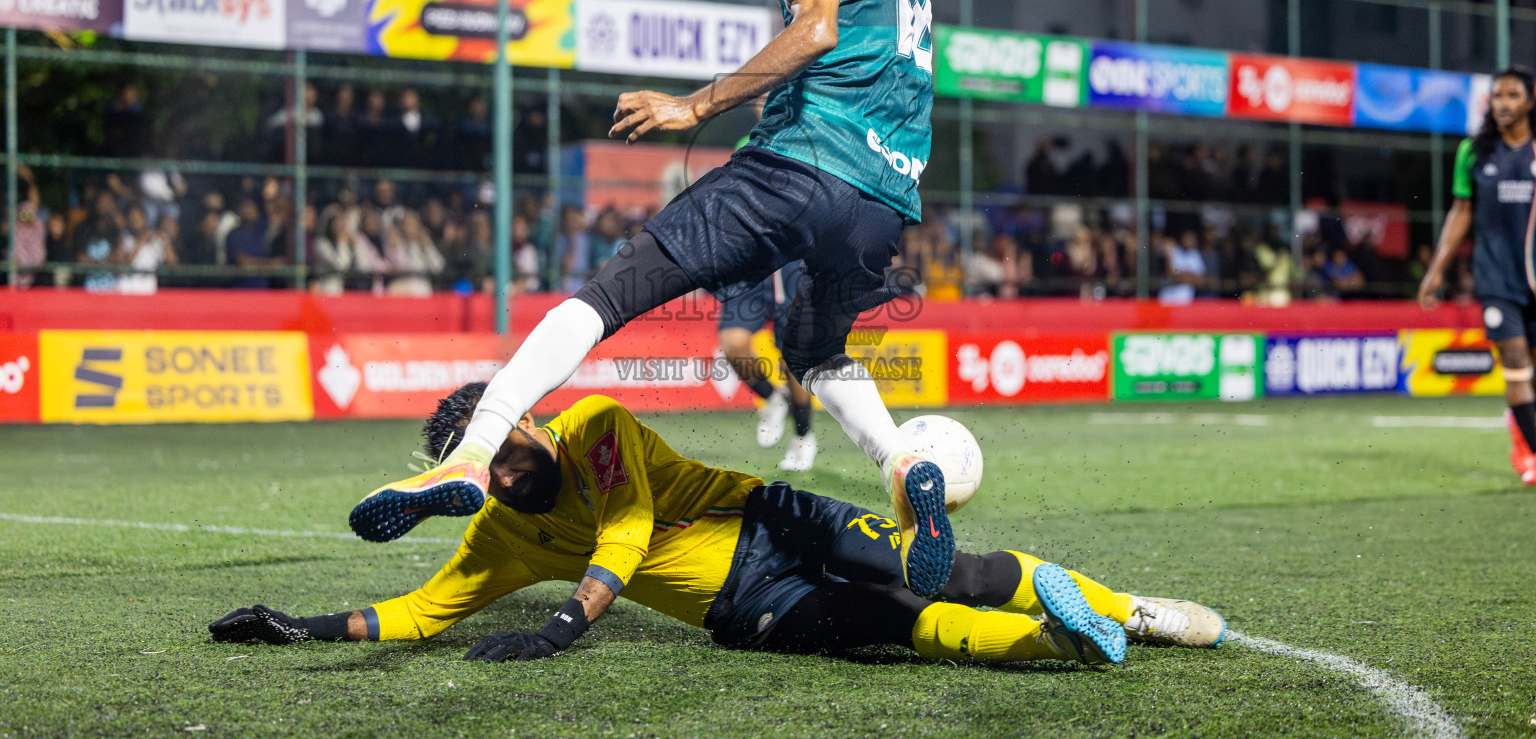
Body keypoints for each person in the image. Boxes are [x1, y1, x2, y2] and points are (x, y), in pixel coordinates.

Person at [348, 0, 960, 599]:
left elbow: (817, 31)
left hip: (800, 163)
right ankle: (904, 464)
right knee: (814, 348)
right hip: (883, 202)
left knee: (606, 293)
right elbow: (846, 29)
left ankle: (473, 449)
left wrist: (695, 103)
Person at [219, 388, 1224, 665]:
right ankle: (1067, 634)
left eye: (506, 440)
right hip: (746, 608)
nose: (523, 452)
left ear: (527, 420)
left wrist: (569, 623)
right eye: (491, 461)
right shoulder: (495, 540)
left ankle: (1132, 610)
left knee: (942, 578)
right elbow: (420, 612)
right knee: (899, 626)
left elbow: (627, 529)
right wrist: (301, 628)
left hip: (771, 521)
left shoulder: (597, 426)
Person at [1419, 65, 1536, 486]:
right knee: (1516, 361)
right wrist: (1436, 271)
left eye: (1512, 95)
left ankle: (1521, 432)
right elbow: (1460, 213)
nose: (1503, 103)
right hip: (1496, 281)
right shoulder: (1474, 152)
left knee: (1531, 371)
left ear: (1530, 99)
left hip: (1535, 279)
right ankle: (1531, 451)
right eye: (1497, 96)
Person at [720, 261, 818, 471]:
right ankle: (775, 399)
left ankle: (803, 434)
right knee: (732, 343)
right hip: (753, 261)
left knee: (793, 358)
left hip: (792, 263)